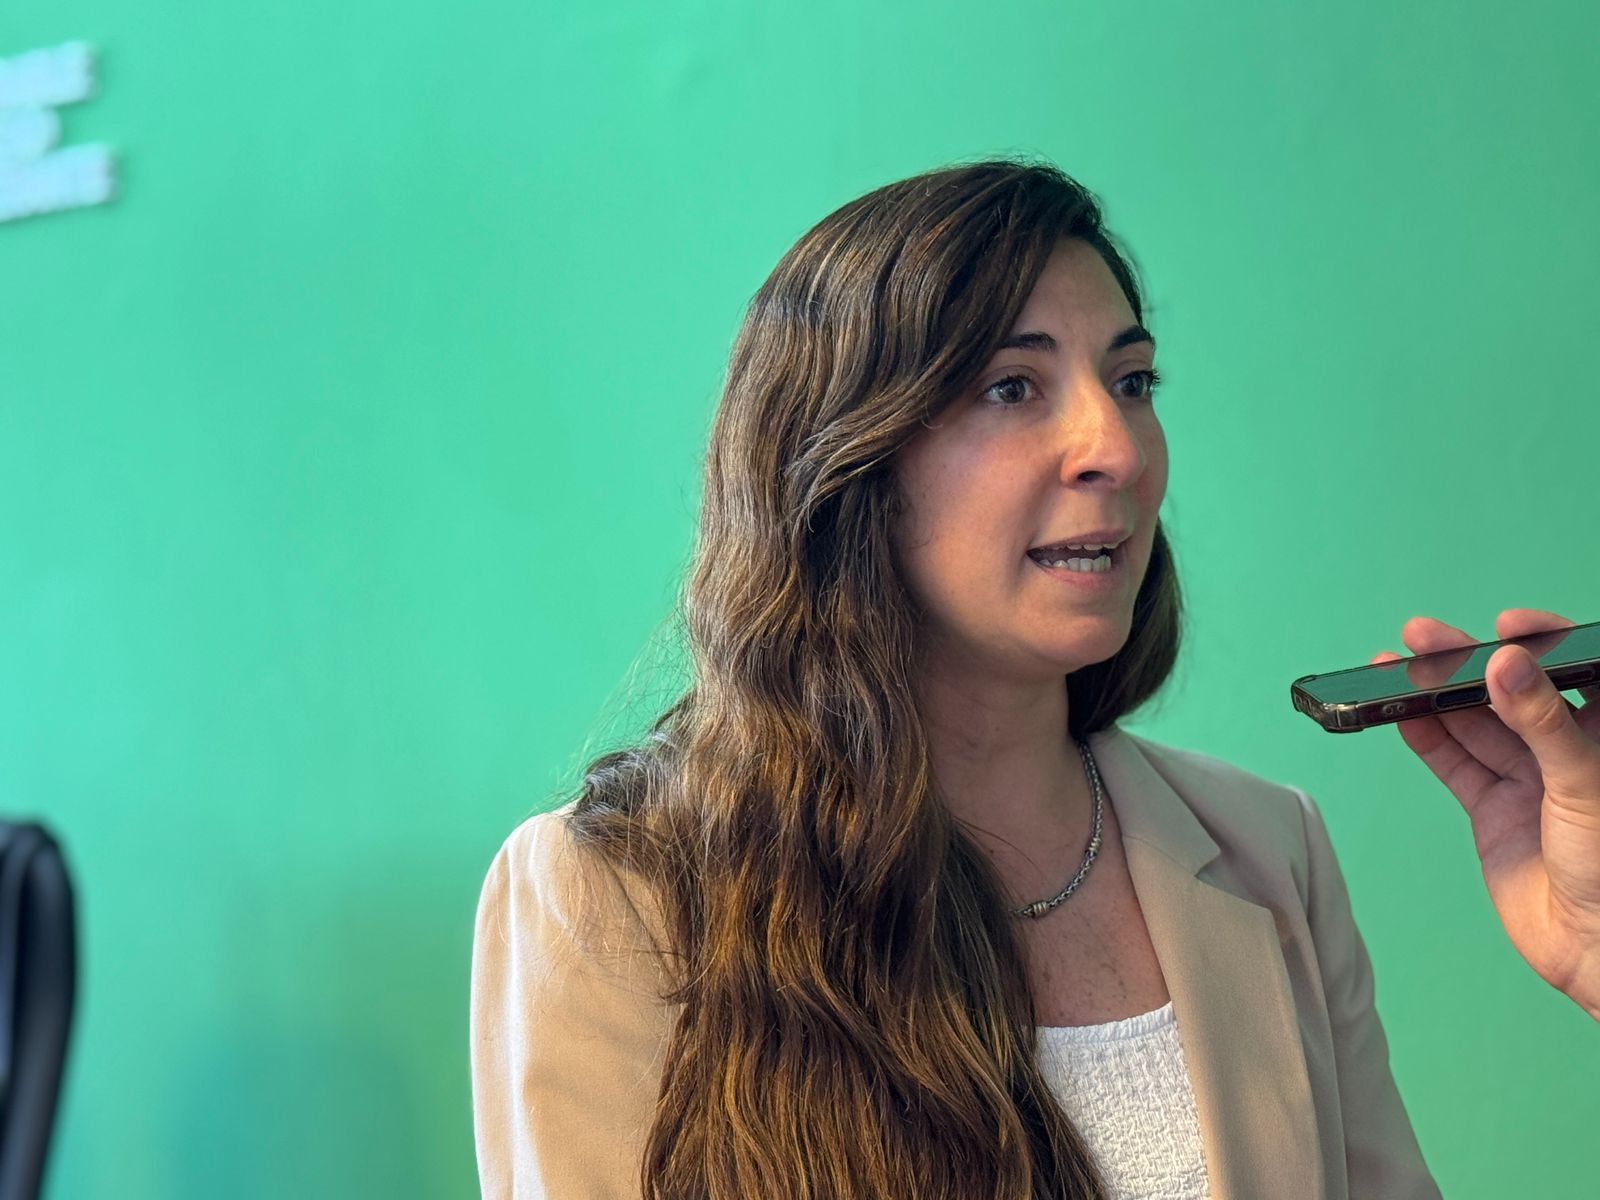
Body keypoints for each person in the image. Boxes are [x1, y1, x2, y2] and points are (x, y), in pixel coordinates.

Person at [469, 157, 1600, 1199]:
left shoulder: (1270, 852)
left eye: (1134, 379)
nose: (1116, 446)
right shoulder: (608, 896)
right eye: (1012, 387)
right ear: (847, 462)